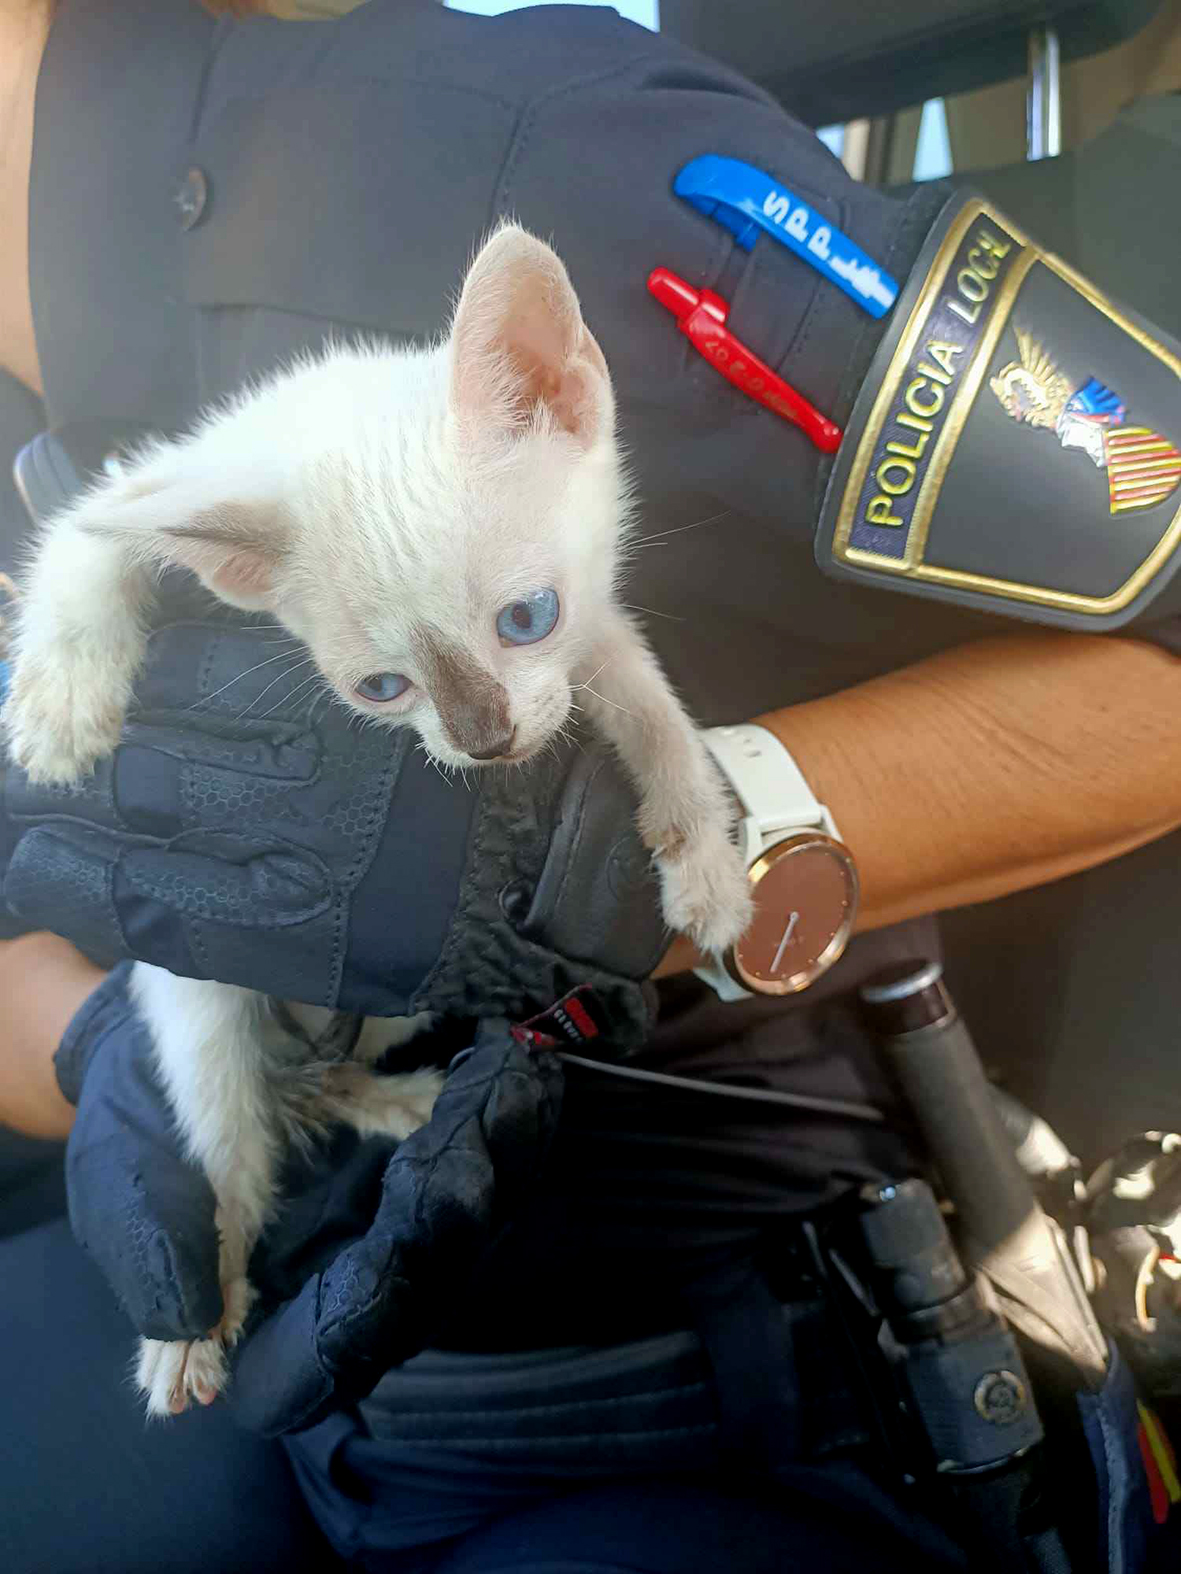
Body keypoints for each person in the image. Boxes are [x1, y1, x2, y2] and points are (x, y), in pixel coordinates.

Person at [2, 2, 1181, 1570]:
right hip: (285, 1356)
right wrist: (104, 1048)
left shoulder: (543, 155)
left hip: (688, 1354)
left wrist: (607, 868)